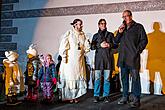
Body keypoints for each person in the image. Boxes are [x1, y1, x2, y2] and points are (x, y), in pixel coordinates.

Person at [115, 10, 148, 107]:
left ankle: (136, 98)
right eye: (123, 17)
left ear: (131, 16)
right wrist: (119, 32)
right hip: (123, 58)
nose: (125, 18)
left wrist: (137, 51)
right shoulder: (122, 28)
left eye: (126, 16)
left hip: (133, 58)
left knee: (135, 79)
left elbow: (144, 40)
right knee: (124, 79)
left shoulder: (138, 27)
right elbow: (116, 41)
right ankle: (125, 96)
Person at [59, 19, 90, 103]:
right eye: (79, 24)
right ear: (75, 25)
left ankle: (76, 96)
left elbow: (85, 47)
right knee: (71, 77)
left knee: (78, 77)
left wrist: (86, 47)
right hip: (70, 60)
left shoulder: (83, 35)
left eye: (81, 24)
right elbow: (64, 45)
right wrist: (64, 56)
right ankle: (70, 97)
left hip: (79, 60)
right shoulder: (69, 33)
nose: (81, 26)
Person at [91, 19, 114, 103]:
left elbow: (115, 45)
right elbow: (92, 47)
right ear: (98, 25)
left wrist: (109, 44)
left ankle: (106, 96)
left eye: (104, 23)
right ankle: (96, 95)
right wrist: (99, 45)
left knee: (107, 79)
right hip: (98, 61)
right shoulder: (95, 36)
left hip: (108, 60)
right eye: (101, 23)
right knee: (97, 79)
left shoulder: (110, 34)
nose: (103, 25)